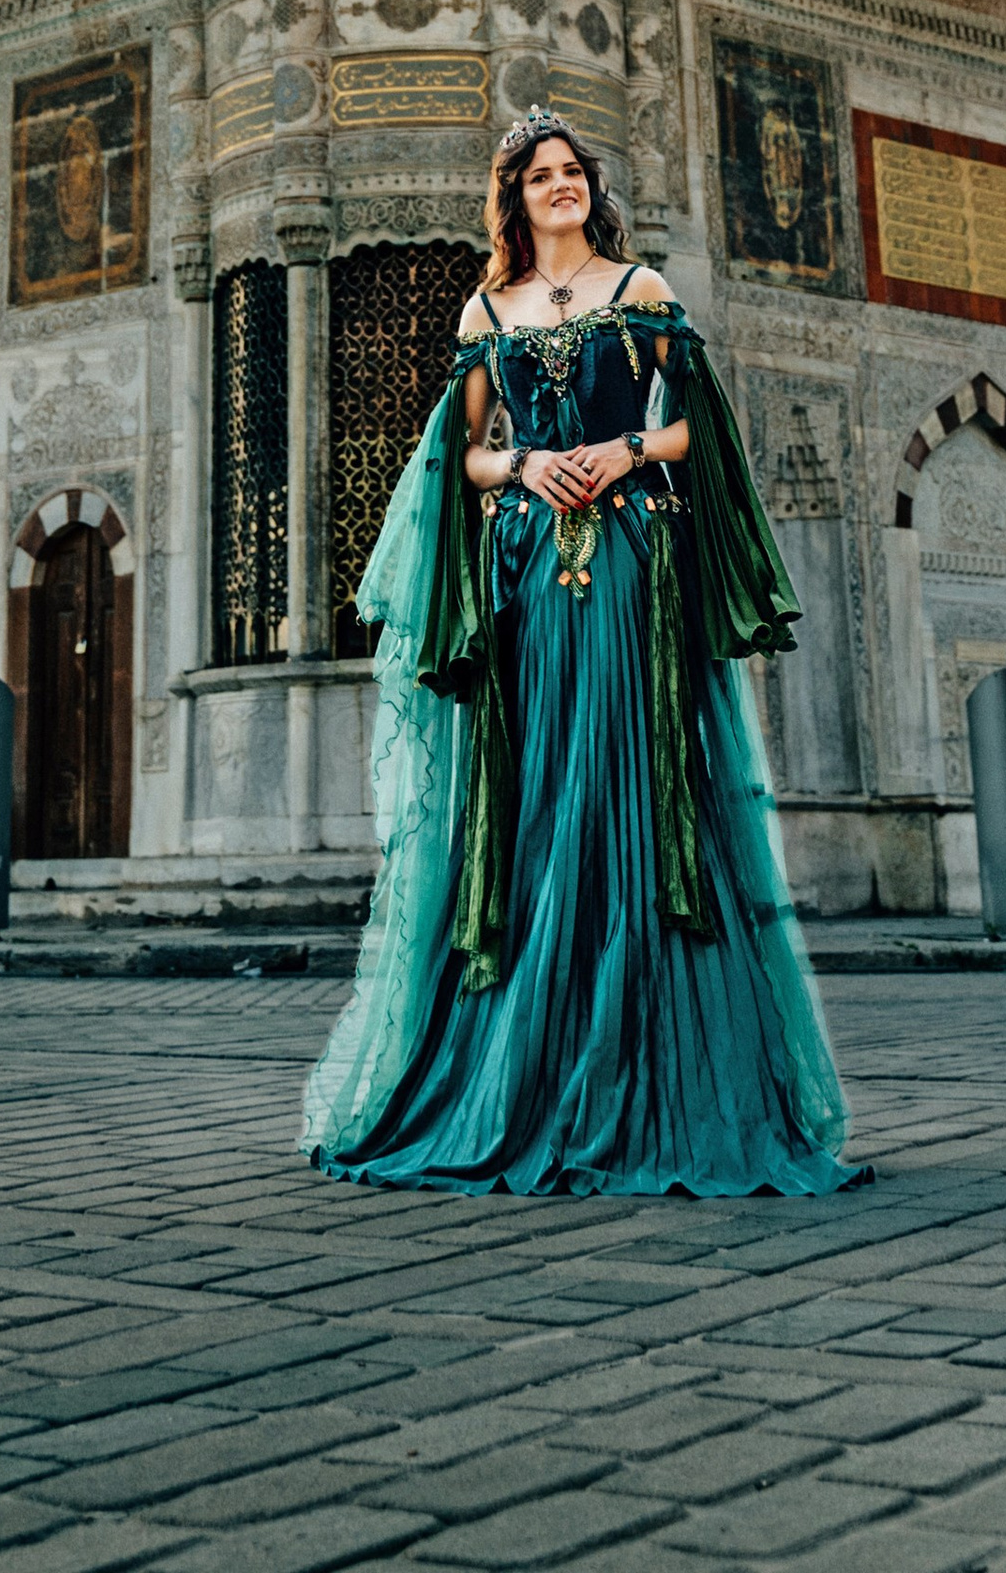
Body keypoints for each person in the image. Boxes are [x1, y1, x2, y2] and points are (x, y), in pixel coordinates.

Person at [304, 109, 859, 1201]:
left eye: (571, 173)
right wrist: (524, 467)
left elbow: (695, 425)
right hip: (526, 577)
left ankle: (658, 1076)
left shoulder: (638, 289)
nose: (558, 187)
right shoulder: (484, 308)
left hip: (625, 568)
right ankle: (517, 1071)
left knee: (631, 785)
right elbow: (466, 454)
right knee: (535, 795)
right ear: (511, 197)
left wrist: (621, 448)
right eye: (537, 175)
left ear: (589, 189)